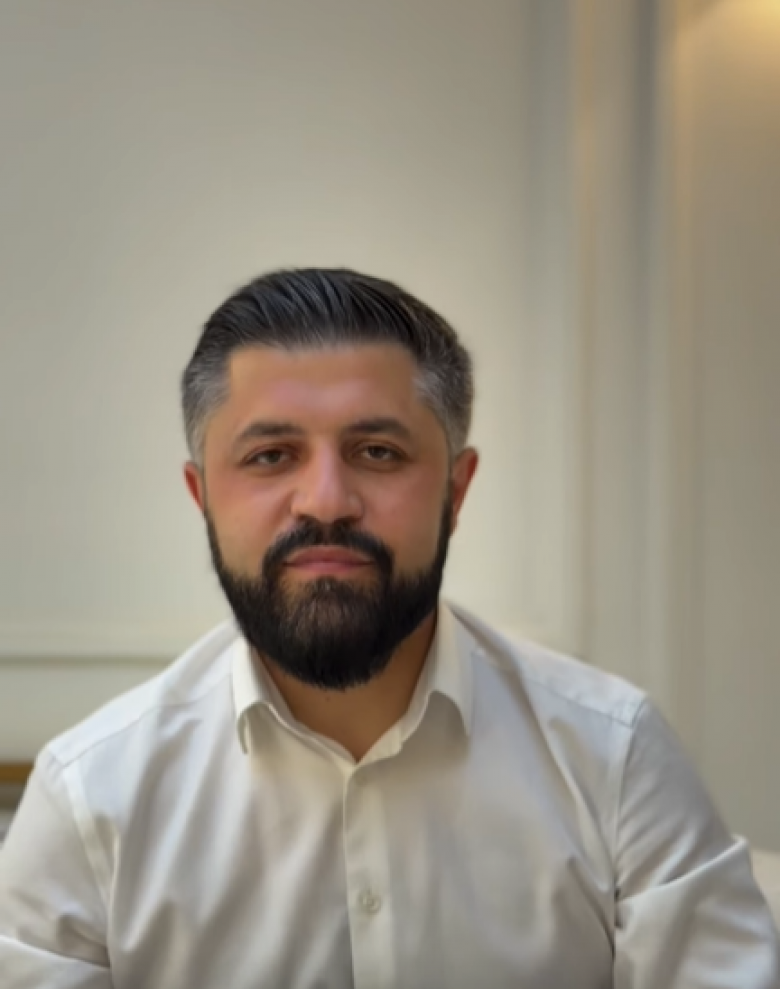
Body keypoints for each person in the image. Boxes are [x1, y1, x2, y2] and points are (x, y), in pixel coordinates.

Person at [0, 268, 778, 989]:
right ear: (201, 495)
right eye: (271, 455)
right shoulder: (88, 799)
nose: (325, 500)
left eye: (377, 451)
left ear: (455, 490)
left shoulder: (616, 758)